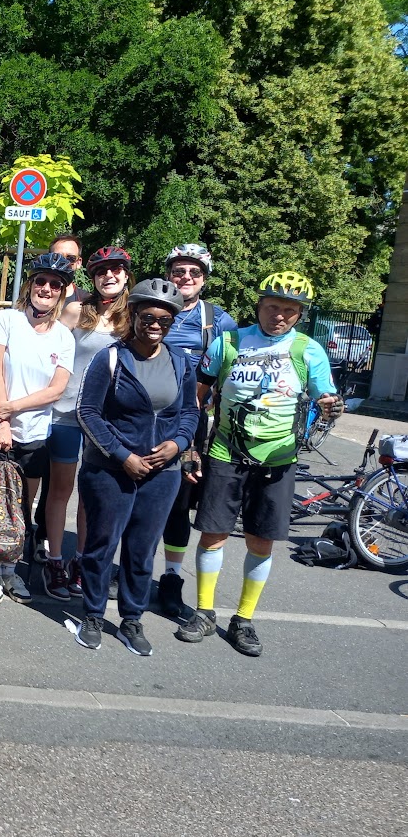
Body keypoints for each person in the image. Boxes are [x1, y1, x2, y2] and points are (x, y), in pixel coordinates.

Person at [177, 272, 340, 657]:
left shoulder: (308, 351)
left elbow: (326, 399)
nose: (279, 316)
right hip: (225, 454)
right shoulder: (229, 341)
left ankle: (243, 620)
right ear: (259, 306)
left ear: (300, 314)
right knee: (213, 534)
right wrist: (189, 447)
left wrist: (332, 407)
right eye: (272, 307)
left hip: (278, 459)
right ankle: (204, 613)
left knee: (260, 541)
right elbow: (195, 400)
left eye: (289, 310)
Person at [73, 278, 199, 655]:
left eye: (164, 318)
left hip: (164, 473)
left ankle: (131, 619)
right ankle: (93, 614)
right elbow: (87, 412)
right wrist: (122, 455)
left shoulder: (180, 362)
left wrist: (177, 444)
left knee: (142, 550)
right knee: (101, 545)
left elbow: (190, 412)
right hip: (111, 470)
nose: (155, 324)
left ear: (172, 322)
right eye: (148, 316)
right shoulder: (110, 357)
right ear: (134, 315)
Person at [0, 252, 75, 604]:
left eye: (54, 285)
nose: (46, 289)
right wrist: (3, 422)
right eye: (41, 282)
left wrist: (14, 408)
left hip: (34, 433)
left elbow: (57, 389)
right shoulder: (5, 320)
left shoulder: (64, 337)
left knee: (22, 504)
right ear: (30, 285)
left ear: (62, 292)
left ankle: (12, 570)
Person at [40, 245, 131, 602]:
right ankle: (54, 560)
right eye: (102, 271)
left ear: (126, 275)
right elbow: (50, 351)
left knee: (92, 494)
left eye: (117, 270)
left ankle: (81, 559)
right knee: (60, 489)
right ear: (92, 278)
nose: (110, 276)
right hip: (65, 411)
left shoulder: (133, 316)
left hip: (105, 420)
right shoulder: (77, 310)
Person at [154, 243, 237, 618]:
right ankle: (125, 569)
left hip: (189, 421)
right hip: (143, 418)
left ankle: (171, 578)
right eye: (179, 271)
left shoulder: (217, 320)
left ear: (203, 279)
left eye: (194, 273)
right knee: (131, 497)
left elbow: (233, 374)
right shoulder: (149, 304)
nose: (185, 278)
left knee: (177, 505)